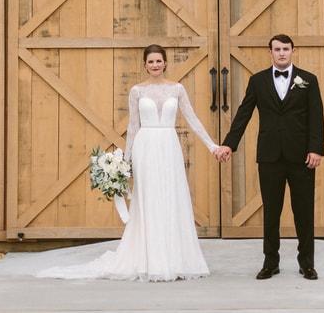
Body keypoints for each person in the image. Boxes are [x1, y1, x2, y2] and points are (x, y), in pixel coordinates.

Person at [37, 45, 225, 282]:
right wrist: (124, 164)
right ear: (145, 65)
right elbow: (133, 127)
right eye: (151, 62)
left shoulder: (177, 89)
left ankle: (174, 259)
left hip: (168, 147)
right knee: (148, 200)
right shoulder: (137, 91)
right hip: (145, 148)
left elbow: (193, 120)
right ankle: (149, 260)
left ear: (165, 63)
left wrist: (212, 146)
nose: (155, 65)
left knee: (171, 198)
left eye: (159, 61)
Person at [214, 34, 324, 280]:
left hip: (302, 157)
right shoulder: (258, 81)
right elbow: (243, 114)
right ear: (270, 52)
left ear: (293, 50)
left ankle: (307, 263)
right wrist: (229, 145)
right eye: (277, 49)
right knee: (271, 212)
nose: (282, 53)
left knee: (304, 211)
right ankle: (270, 262)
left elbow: (316, 117)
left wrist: (316, 149)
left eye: (286, 49)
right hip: (269, 156)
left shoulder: (308, 79)